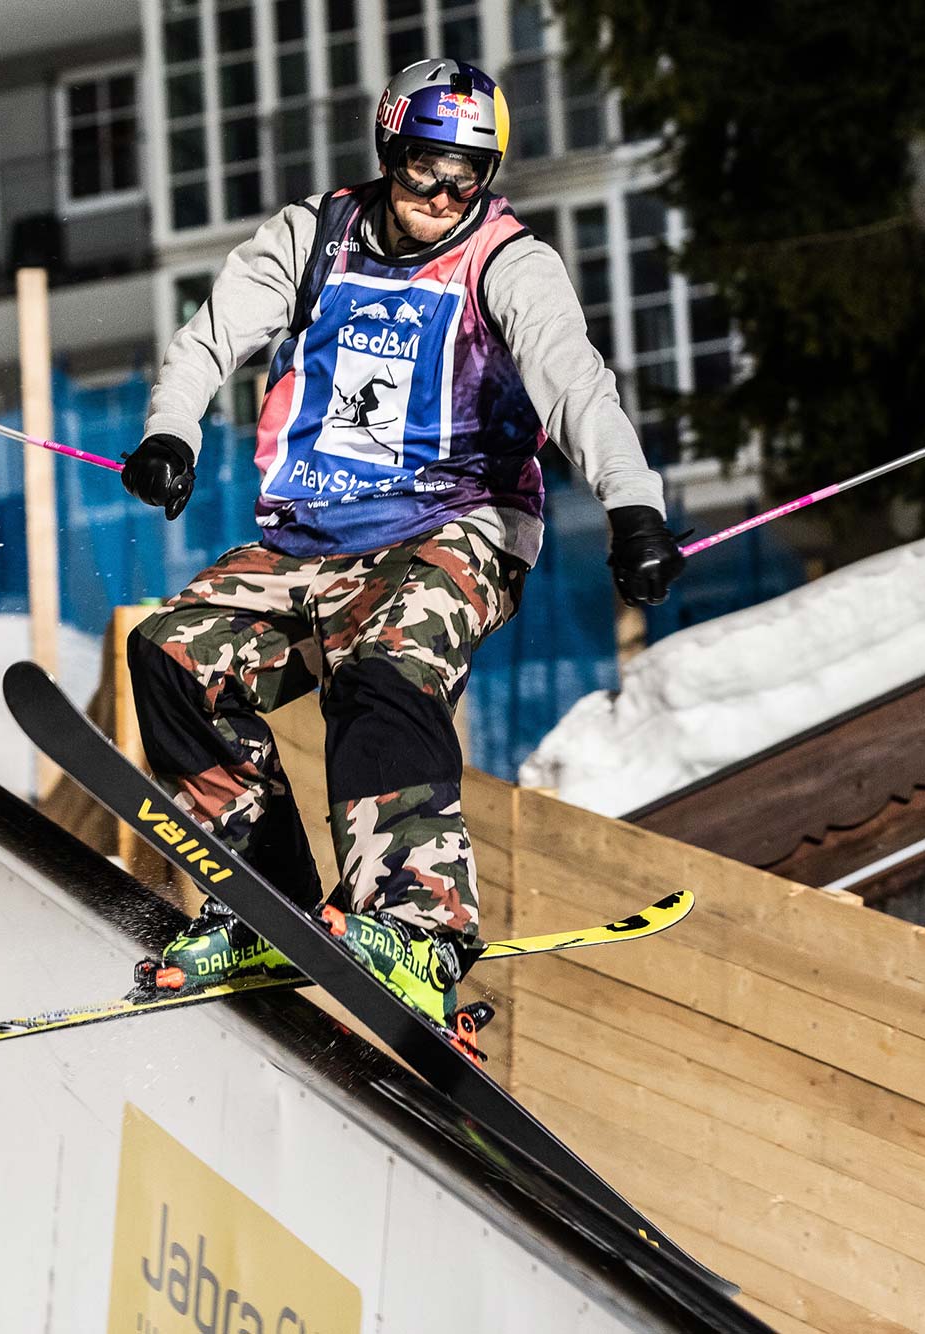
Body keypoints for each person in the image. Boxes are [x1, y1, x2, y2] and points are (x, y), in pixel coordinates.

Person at [122, 57, 685, 1026]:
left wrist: (632, 502)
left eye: (468, 175)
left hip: (454, 526)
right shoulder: (311, 238)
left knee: (384, 670)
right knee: (170, 654)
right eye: (426, 167)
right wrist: (170, 430)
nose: (442, 194)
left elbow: (571, 380)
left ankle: (417, 923)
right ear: (389, 152)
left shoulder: (506, 262)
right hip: (310, 538)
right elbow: (209, 339)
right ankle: (264, 897)